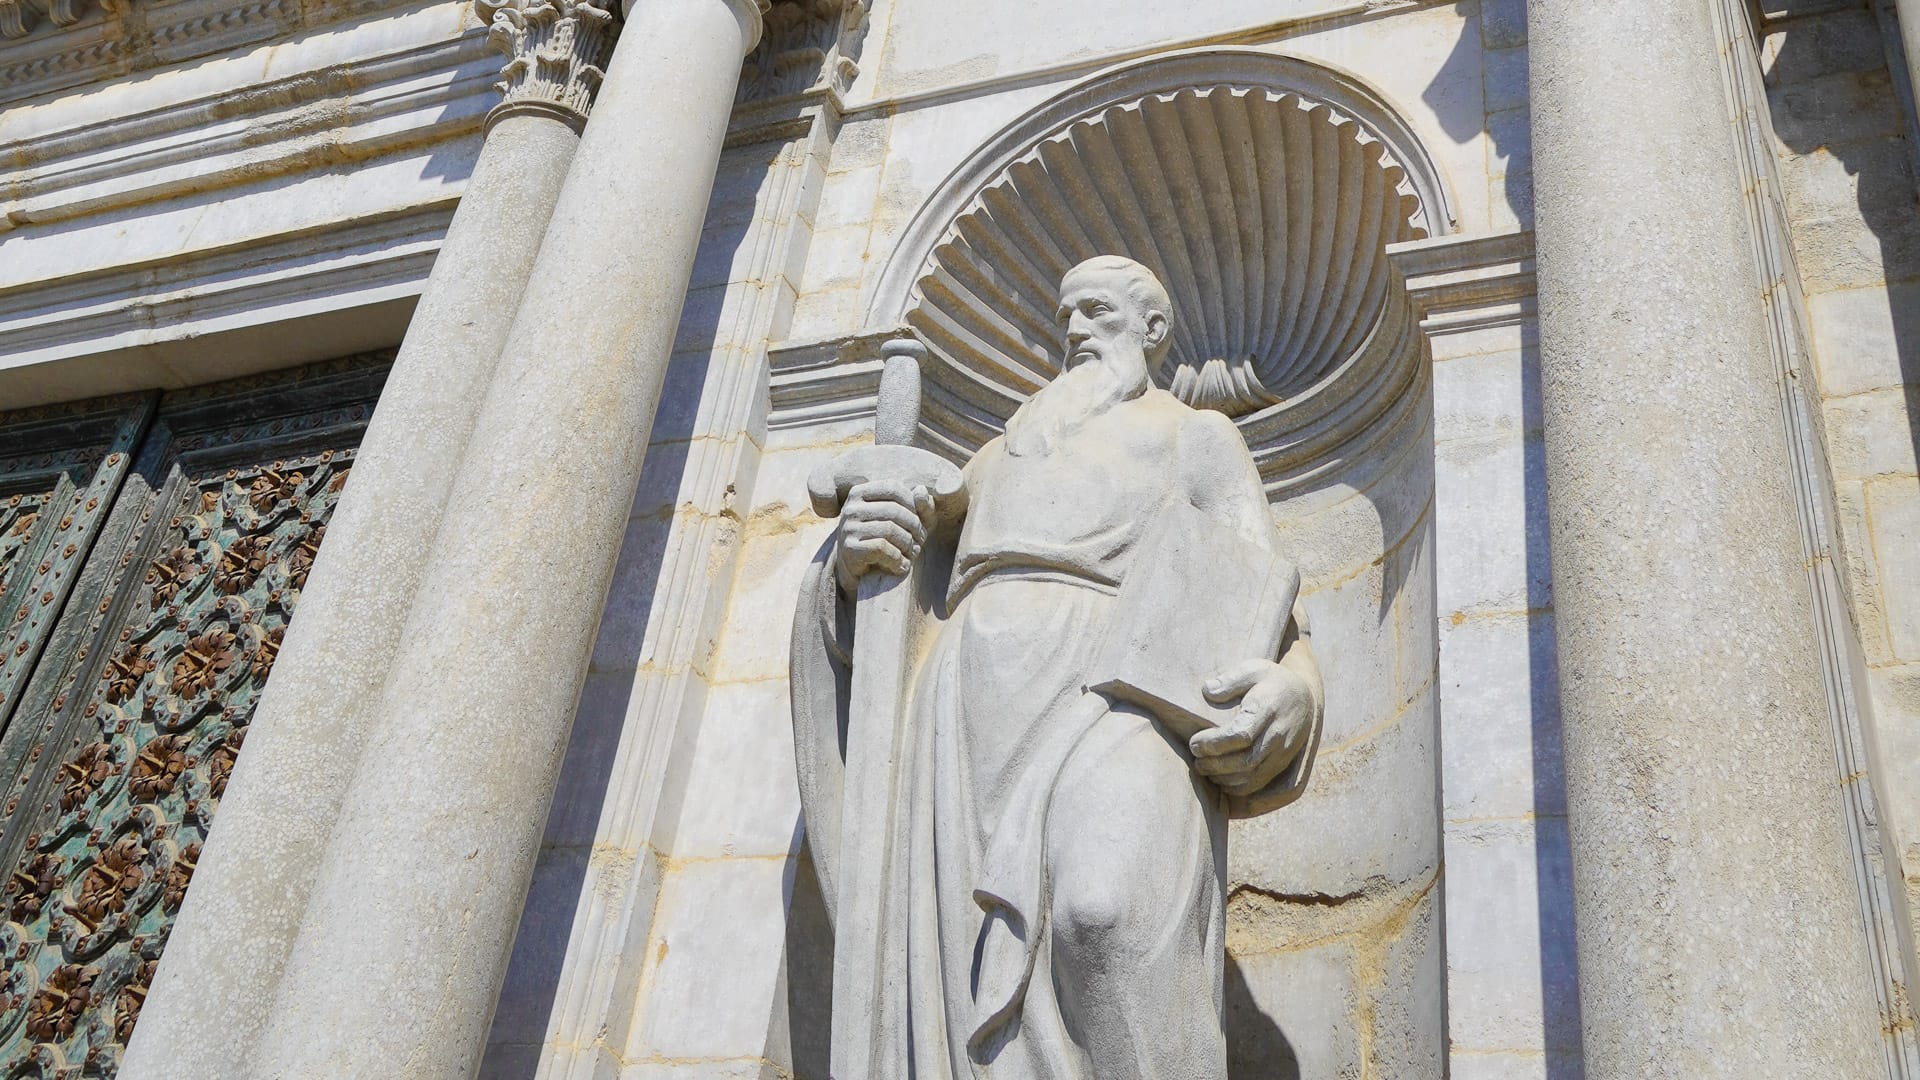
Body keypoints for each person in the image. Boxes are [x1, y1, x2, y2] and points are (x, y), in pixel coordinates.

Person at [792, 255, 1324, 1079]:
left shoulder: (1196, 437)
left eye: (1098, 313)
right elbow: (897, 604)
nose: (1074, 330)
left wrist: (1295, 691)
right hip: (966, 709)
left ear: (1153, 332)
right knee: (959, 972)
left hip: (1118, 688)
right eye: (1066, 315)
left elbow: (1261, 596)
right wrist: (855, 559)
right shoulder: (999, 454)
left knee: (1103, 910)